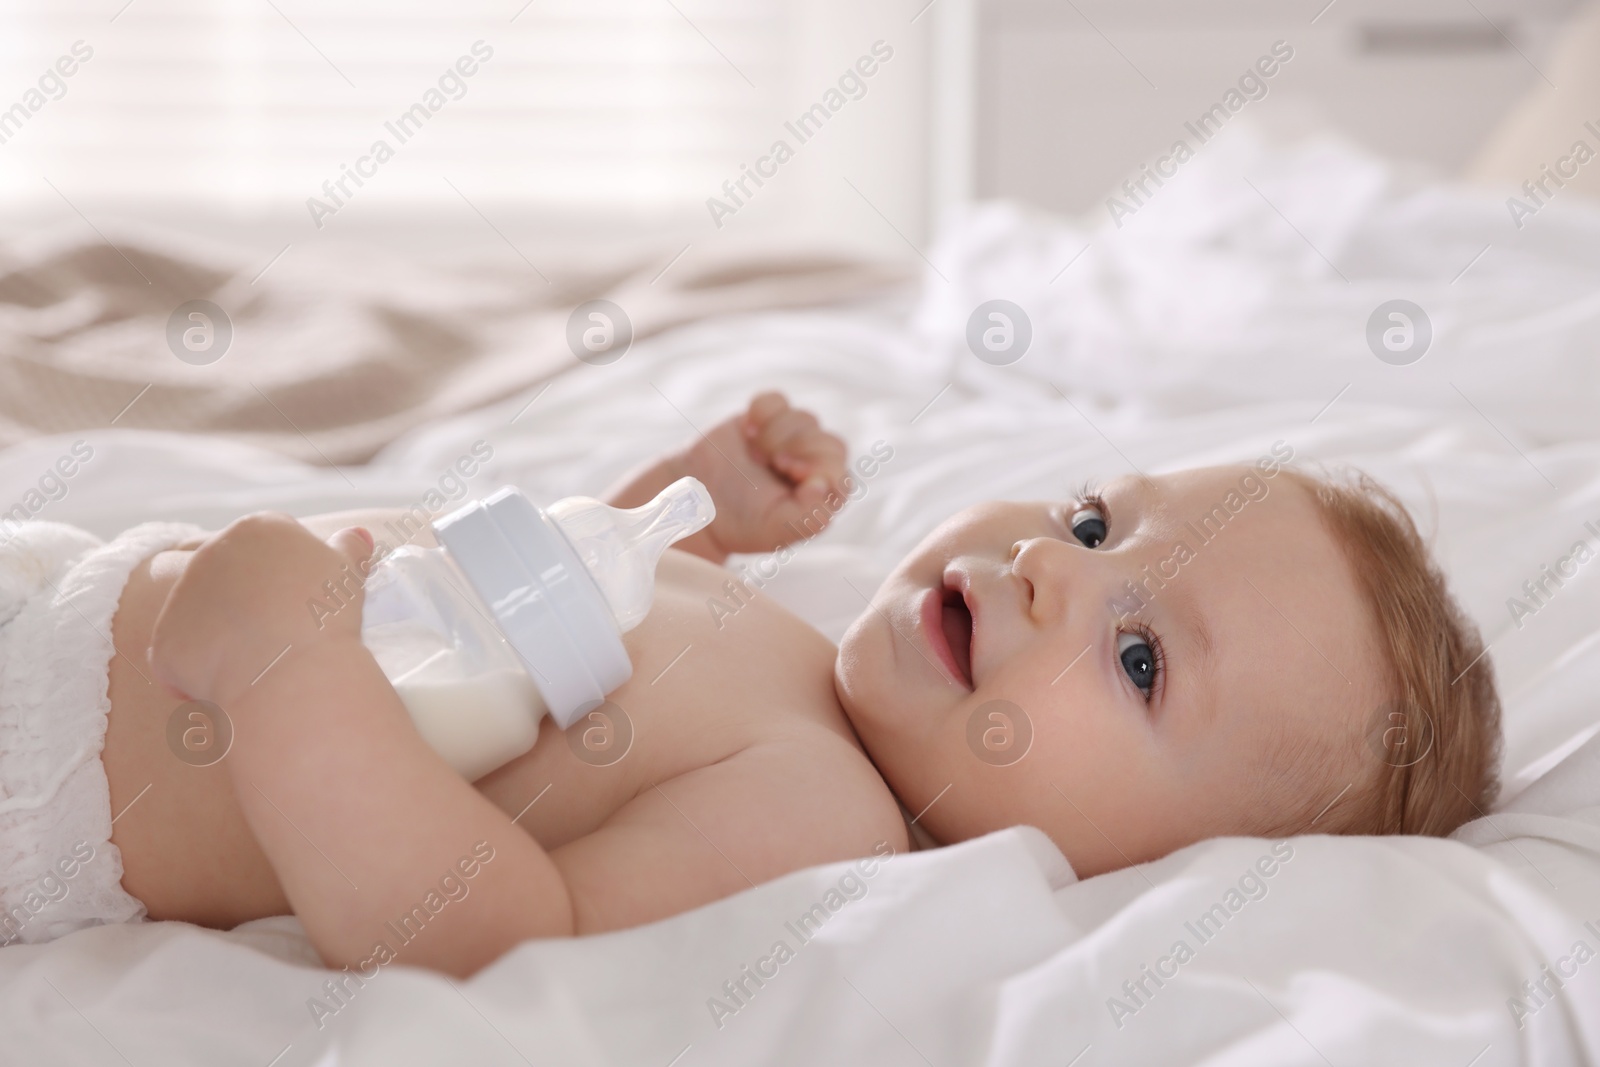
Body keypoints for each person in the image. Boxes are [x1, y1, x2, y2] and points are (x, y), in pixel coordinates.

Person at [0, 392, 1499, 977]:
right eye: (1097, 520)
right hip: (59, 591)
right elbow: (544, 650)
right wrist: (679, 506)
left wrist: (285, 669)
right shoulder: (817, 678)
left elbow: (484, 925)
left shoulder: (815, 823)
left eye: (1140, 657)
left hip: (50, 770)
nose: (1054, 566)